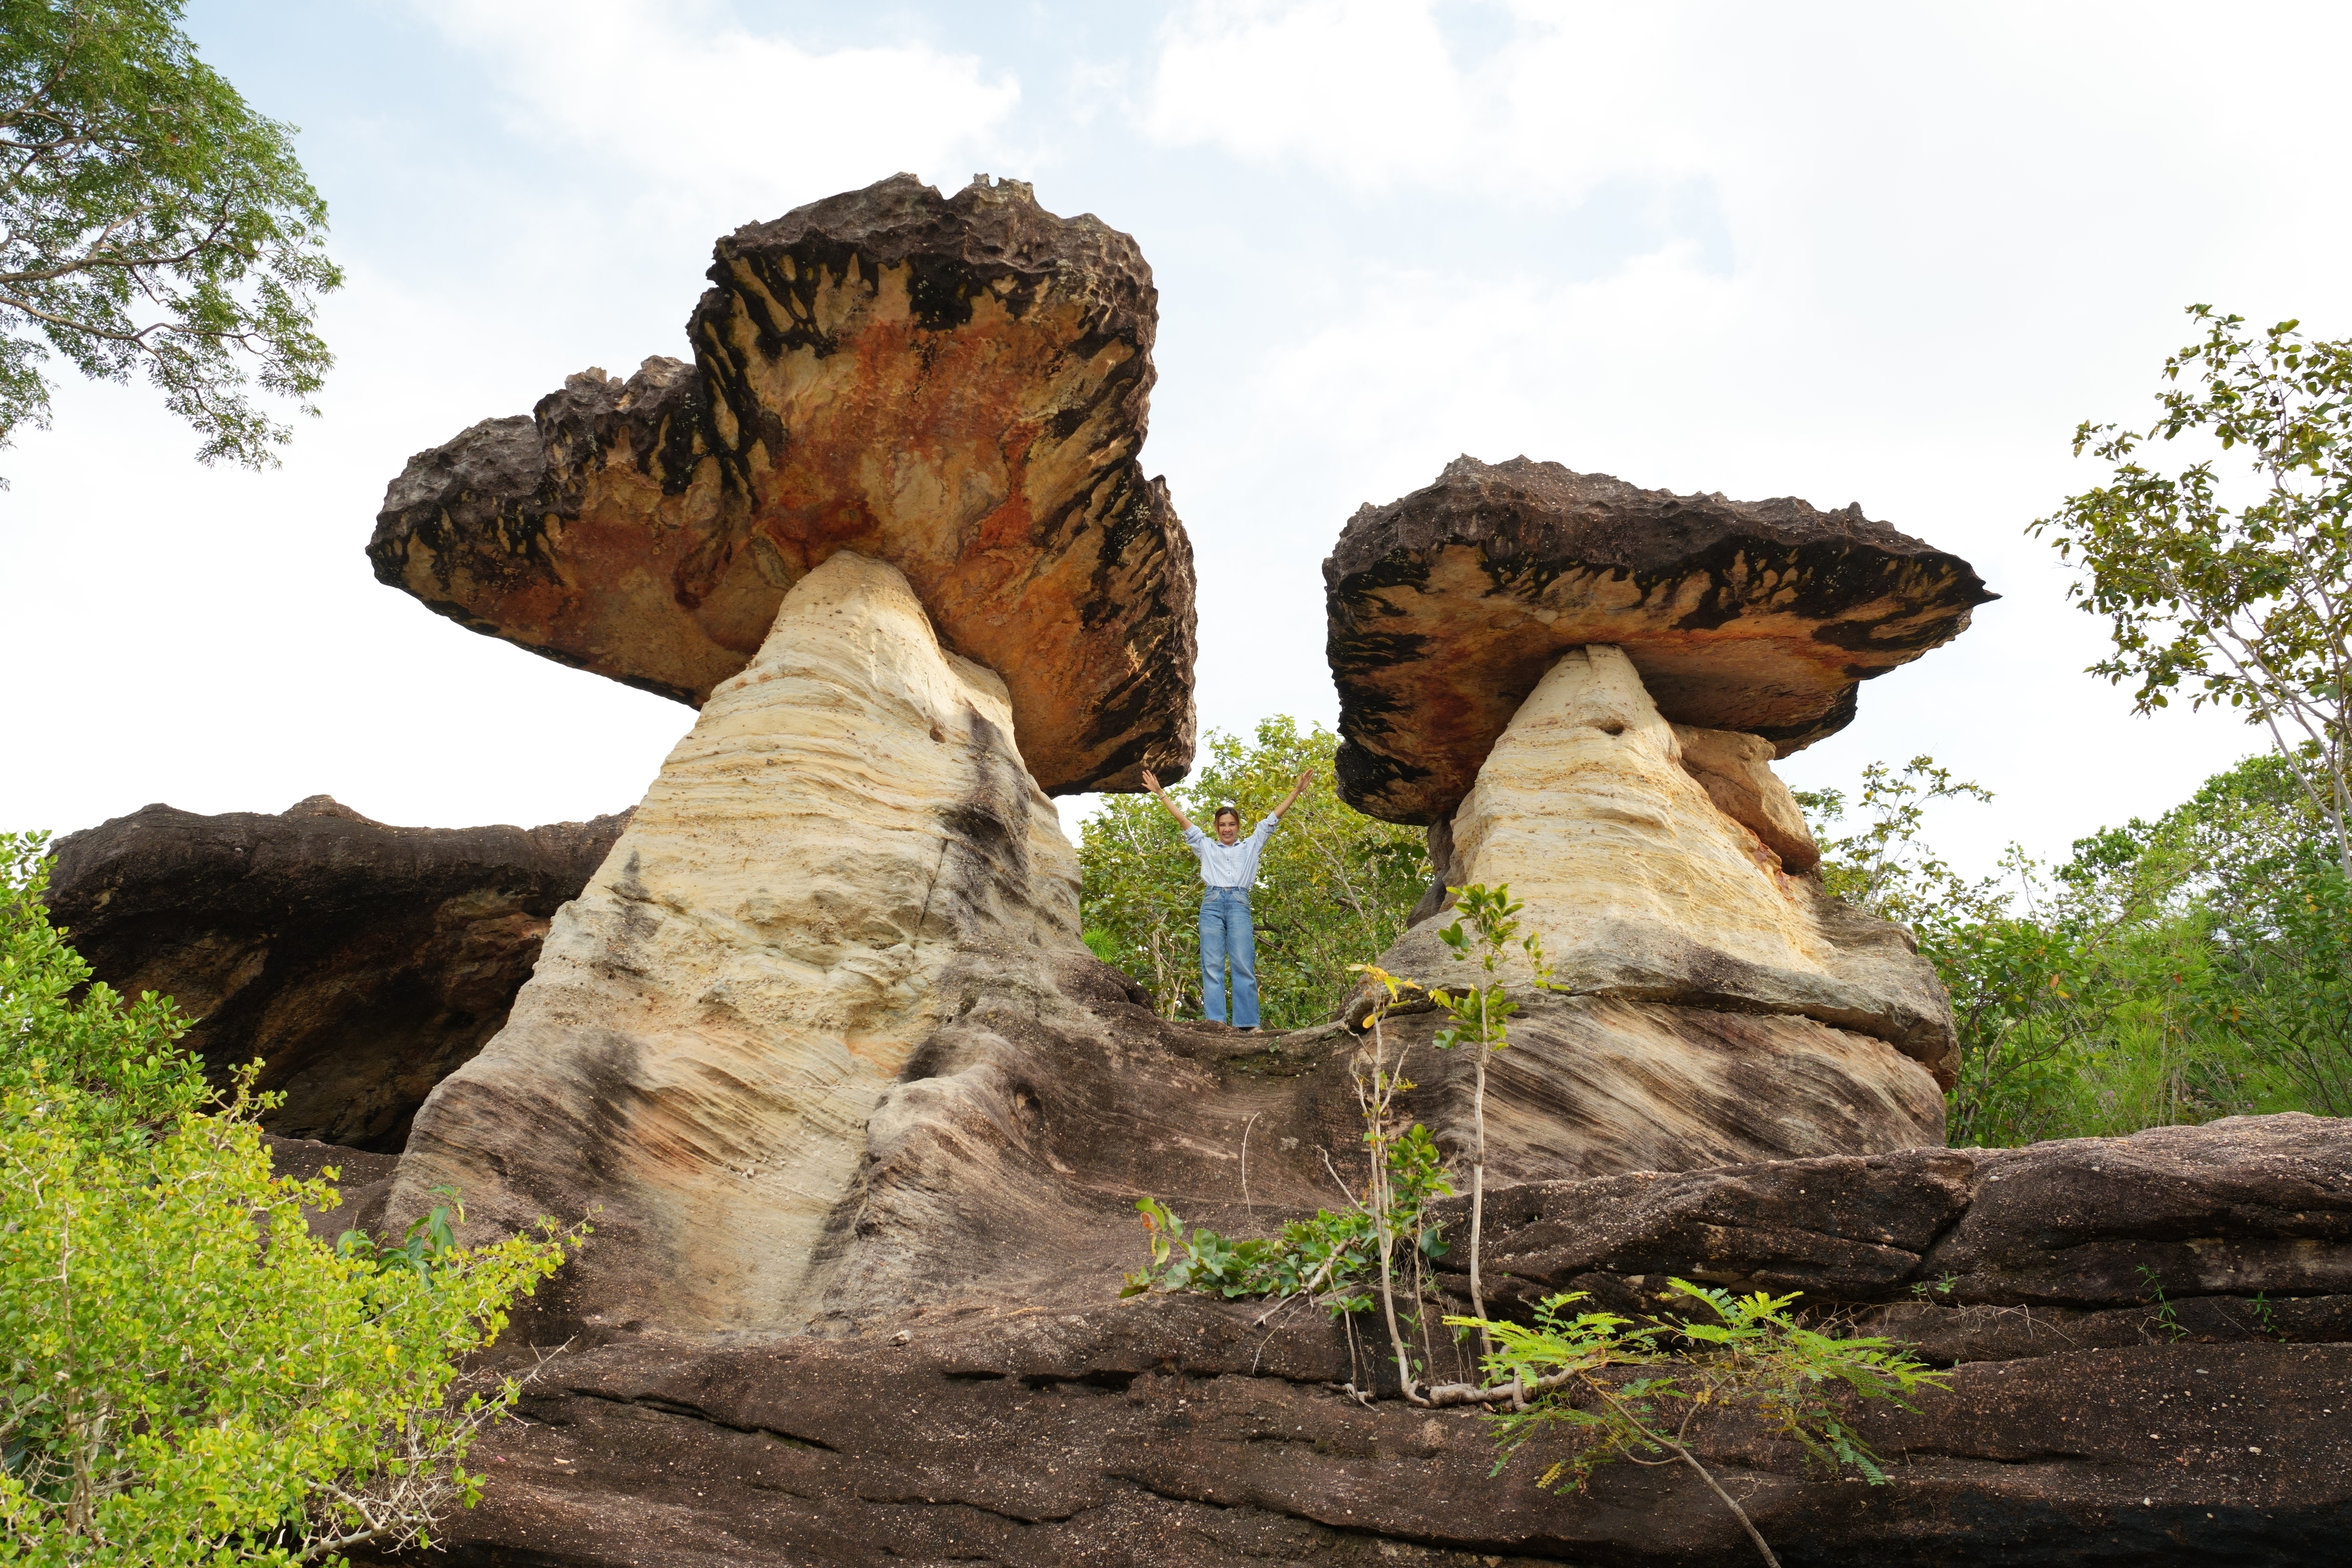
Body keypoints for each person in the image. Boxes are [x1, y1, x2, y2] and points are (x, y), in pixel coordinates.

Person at [1140, 766, 1315, 1030]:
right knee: (1212, 965)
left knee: (1243, 962)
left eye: (1231, 824)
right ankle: (1216, 1024)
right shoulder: (1206, 846)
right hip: (1211, 904)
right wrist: (1160, 793)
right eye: (1222, 825)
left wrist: (1297, 791)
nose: (1227, 829)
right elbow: (1183, 821)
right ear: (1216, 827)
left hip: (1239, 903)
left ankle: (1247, 1024)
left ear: (1238, 826)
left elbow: (1272, 819)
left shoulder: (1251, 845)